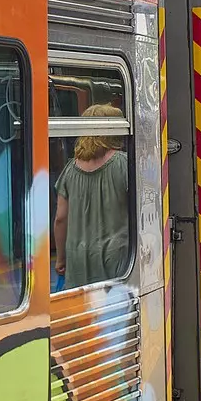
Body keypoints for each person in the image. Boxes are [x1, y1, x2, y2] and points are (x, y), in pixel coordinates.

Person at [53, 106, 131, 289]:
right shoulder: (124, 164)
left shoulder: (70, 169)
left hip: (78, 258)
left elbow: (60, 218)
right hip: (116, 259)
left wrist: (61, 258)